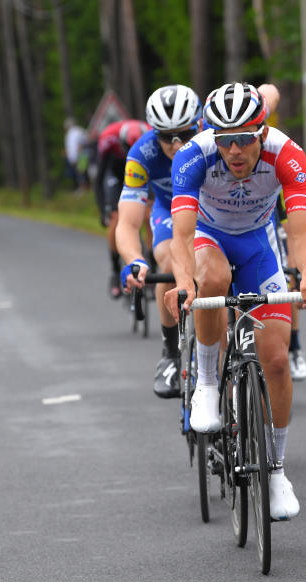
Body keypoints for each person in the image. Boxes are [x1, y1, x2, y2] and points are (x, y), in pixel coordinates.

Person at [164, 82, 306, 521]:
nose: (234, 151)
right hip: (208, 238)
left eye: (244, 139)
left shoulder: (286, 154)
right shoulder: (193, 156)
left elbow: (302, 233)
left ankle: (275, 471)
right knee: (212, 277)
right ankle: (209, 385)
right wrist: (183, 284)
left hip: (258, 246)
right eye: (225, 140)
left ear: (262, 132)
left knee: (275, 360)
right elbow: (179, 236)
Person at [116, 84, 202, 398]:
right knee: (168, 260)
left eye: (184, 134)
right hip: (168, 210)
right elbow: (127, 222)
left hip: (211, 209)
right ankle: (169, 352)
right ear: (155, 133)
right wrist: (135, 260)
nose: (176, 144)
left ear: (200, 123)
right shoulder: (142, 153)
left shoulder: (214, 137)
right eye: (167, 136)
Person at [95, 118, 151, 298]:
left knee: (151, 215)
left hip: (142, 170)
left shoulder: (152, 134)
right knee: (116, 219)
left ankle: (153, 264)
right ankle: (114, 271)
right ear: (120, 143)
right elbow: (99, 177)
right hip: (116, 175)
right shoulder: (107, 139)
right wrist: (102, 210)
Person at [273, 198, 306, 381]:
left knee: (288, 285)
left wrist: (295, 272)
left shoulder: (267, 189)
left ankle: (294, 348)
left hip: (271, 237)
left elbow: (289, 234)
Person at [63, 118, 89, 191]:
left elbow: (85, 140)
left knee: (81, 171)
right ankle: (83, 187)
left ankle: (84, 187)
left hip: (82, 154)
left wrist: (80, 149)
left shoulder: (78, 131)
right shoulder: (69, 134)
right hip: (75, 156)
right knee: (79, 172)